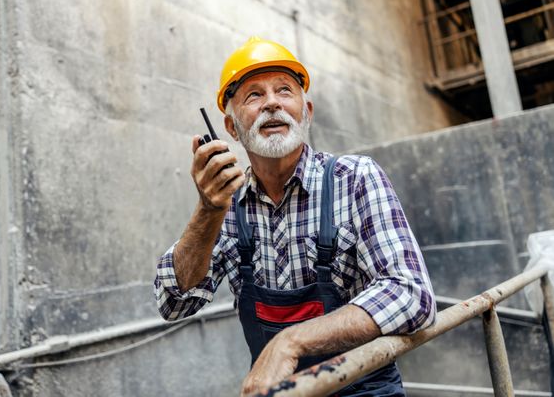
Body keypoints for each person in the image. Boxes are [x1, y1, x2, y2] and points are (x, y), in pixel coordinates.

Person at [154, 36, 436, 396]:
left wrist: (291, 342)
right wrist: (208, 210)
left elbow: (411, 294)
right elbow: (174, 303)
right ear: (230, 127)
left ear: (307, 111)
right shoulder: (227, 205)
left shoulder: (355, 178)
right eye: (253, 96)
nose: (272, 102)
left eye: (284, 90)